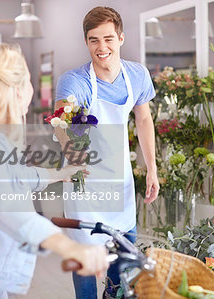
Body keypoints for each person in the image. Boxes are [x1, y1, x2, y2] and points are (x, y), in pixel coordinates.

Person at [0, 44, 109, 299]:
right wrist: (69, 247)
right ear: (15, 90)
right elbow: (5, 205)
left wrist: (60, 173)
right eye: (27, 80)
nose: (32, 89)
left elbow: (16, 177)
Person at [54, 6, 159, 298]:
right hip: (84, 185)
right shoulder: (74, 82)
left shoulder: (137, 75)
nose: (102, 47)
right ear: (86, 42)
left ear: (121, 38)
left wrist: (152, 168)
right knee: (86, 268)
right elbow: (62, 128)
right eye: (94, 40)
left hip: (120, 182)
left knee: (121, 271)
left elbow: (144, 119)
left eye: (108, 38)